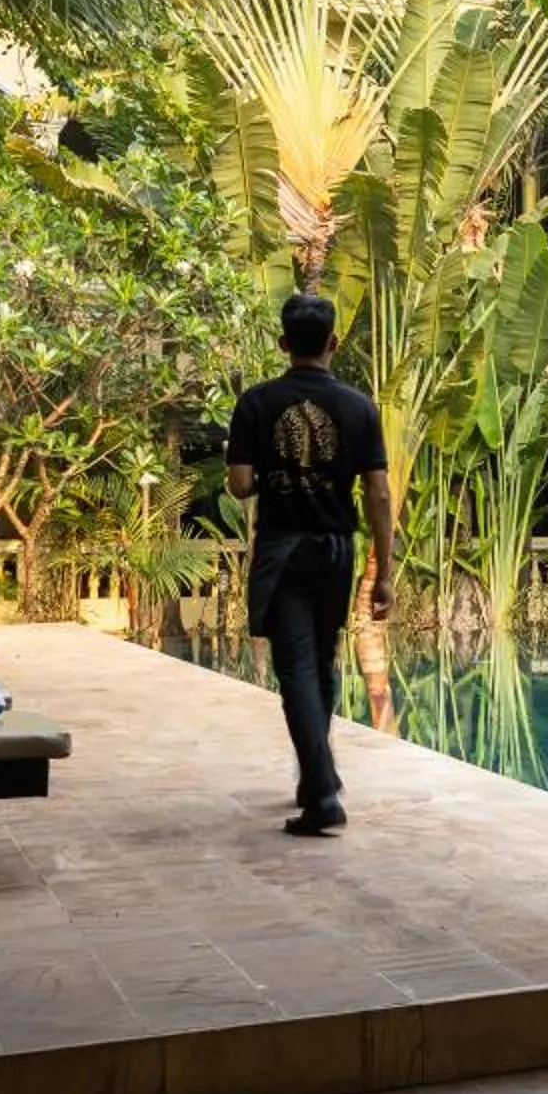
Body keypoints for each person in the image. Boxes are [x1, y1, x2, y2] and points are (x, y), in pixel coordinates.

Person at [225, 293, 392, 836]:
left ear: (282, 343)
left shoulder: (256, 403)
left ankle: (321, 791)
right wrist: (384, 572)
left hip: (284, 548)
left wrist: (272, 471)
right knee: (321, 662)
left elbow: (241, 483)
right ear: (332, 343)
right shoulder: (359, 408)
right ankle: (313, 781)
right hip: (336, 549)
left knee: (294, 666)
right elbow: (379, 494)